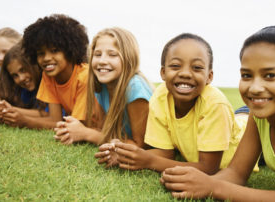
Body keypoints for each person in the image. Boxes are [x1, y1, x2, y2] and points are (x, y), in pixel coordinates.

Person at [160, 25, 275, 201]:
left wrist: (215, 187)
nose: (254, 88)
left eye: (270, 76)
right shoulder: (260, 116)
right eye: (246, 75)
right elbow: (237, 173)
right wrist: (198, 182)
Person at [113, 33, 252, 174]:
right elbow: (165, 153)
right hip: (236, 119)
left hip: (252, 128)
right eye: (175, 66)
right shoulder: (161, 97)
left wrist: (149, 161)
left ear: (209, 77)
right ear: (163, 72)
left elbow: (208, 168)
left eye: (197, 68)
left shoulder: (215, 104)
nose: (185, 73)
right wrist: (125, 156)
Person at [54, 27, 153, 167]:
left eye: (112, 55)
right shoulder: (102, 86)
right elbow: (104, 131)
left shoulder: (134, 87)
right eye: (97, 54)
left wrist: (85, 133)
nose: (102, 61)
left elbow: (141, 146)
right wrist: (72, 128)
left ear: (129, 58)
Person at [21, 14, 89, 127]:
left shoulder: (85, 76)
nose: (46, 58)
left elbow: (76, 126)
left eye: (54, 50)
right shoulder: (49, 76)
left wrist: (24, 121)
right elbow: (55, 120)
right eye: (41, 53)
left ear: (70, 51)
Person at [0, 43, 57, 128]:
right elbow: (36, 112)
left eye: (23, 70)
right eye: (15, 75)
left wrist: (10, 109)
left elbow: (47, 114)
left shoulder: (49, 81)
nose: (21, 78)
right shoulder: (24, 90)